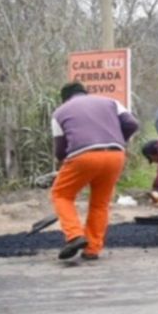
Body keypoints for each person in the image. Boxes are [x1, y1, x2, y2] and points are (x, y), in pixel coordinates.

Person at [49, 82, 140, 260]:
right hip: (115, 155)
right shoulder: (110, 102)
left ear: (65, 98)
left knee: (61, 194)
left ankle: (74, 235)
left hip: (82, 156)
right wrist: (120, 140)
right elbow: (132, 123)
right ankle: (92, 249)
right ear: (85, 92)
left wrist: (64, 162)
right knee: (100, 203)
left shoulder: (59, 112)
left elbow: (60, 150)